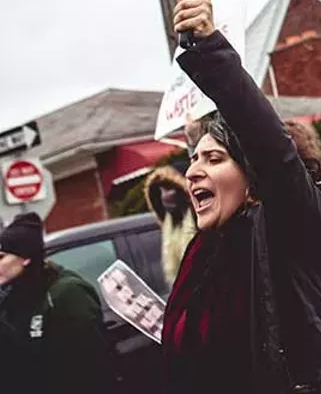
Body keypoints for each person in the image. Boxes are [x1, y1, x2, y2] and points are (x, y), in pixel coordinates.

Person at [165, 0, 321, 393]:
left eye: (213, 159)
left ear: (254, 180)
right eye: (192, 161)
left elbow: (270, 146)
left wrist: (209, 49)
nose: (193, 173)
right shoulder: (201, 256)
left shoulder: (291, 228)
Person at [0, 212, 117, 391]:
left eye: (1, 257)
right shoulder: (12, 297)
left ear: (26, 258)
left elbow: (92, 366)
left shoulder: (66, 293)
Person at [145, 164, 198, 286]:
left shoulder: (200, 222)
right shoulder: (169, 225)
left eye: (169, 189)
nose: (164, 195)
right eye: (161, 190)